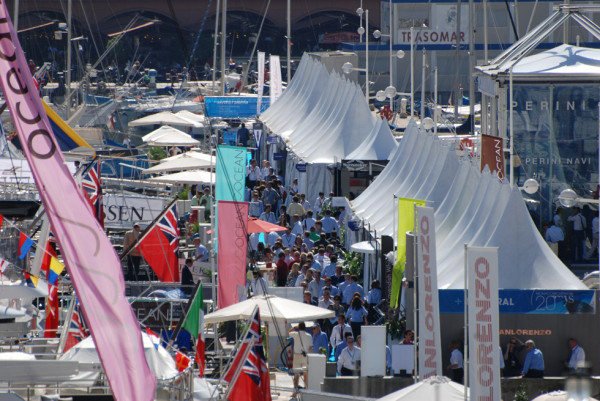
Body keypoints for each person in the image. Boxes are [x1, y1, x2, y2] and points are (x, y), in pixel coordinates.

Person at [289, 322, 312, 395]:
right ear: (305, 328)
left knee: (296, 374)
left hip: (297, 355)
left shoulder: (295, 334)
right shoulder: (309, 336)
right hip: (305, 355)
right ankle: (306, 389)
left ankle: (295, 391)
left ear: (299, 327)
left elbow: (289, 332)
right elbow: (311, 347)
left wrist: (295, 327)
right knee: (305, 373)